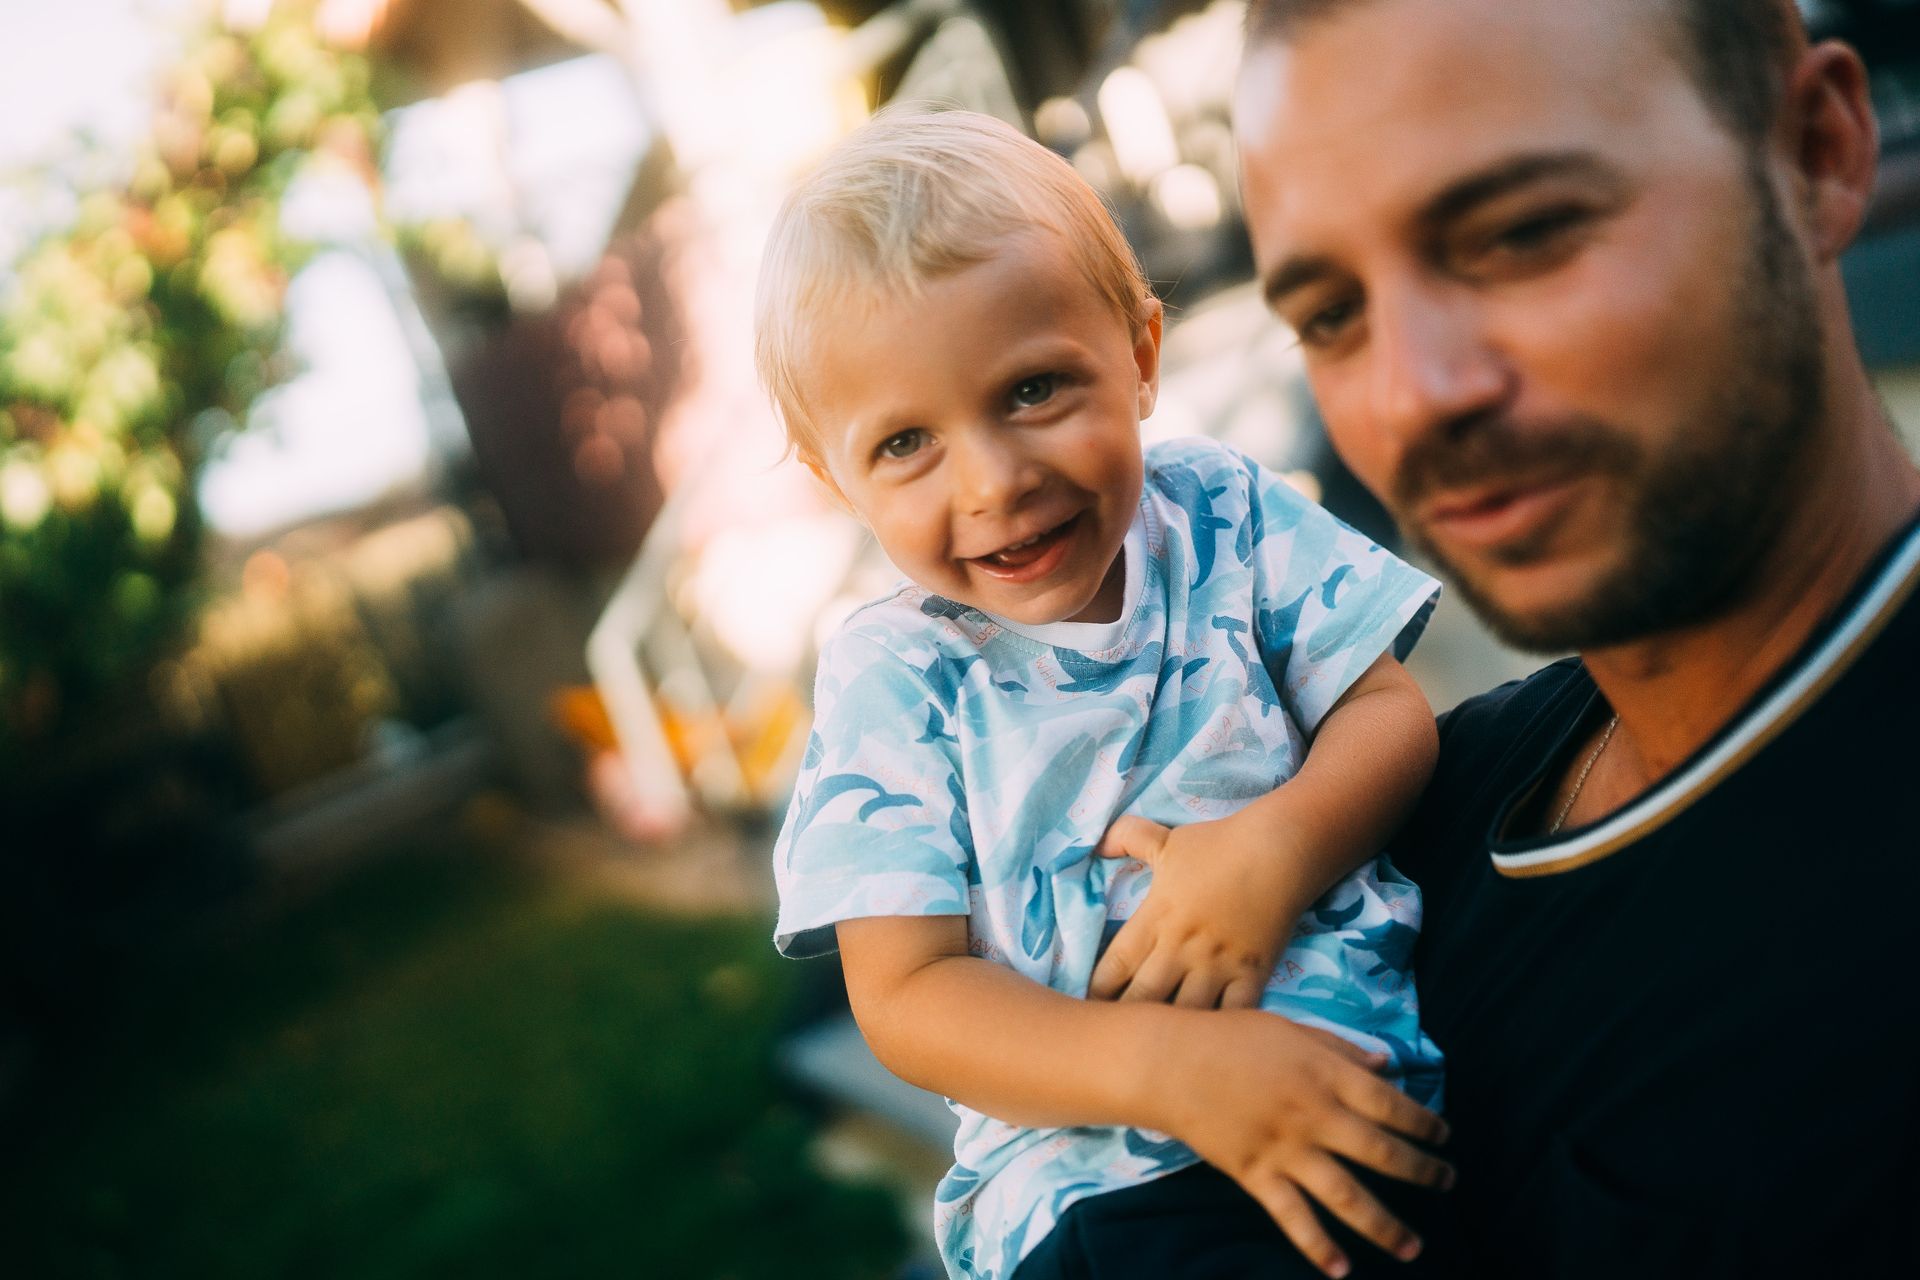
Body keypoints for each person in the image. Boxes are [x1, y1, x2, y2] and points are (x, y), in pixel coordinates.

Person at [1229, 0, 1920, 1273]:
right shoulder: (1406, 813)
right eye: (1331, 315)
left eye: (1523, 233)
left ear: (1816, 153)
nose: (1412, 392)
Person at [758, 109, 1456, 1280]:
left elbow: (1389, 713)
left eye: (1033, 387)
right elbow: (908, 996)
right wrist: (1171, 1070)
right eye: (906, 444)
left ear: (1140, 355)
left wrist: (1273, 848)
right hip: (1113, 1188)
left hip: (1383, 1080)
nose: (993, 478)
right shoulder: (898, 677)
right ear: (836, 476)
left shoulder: (1220, 512)